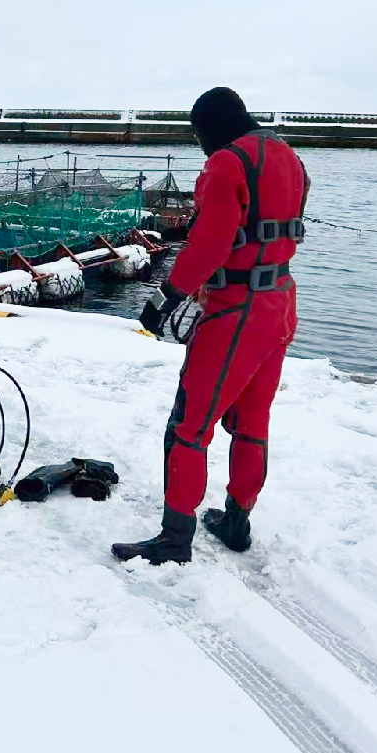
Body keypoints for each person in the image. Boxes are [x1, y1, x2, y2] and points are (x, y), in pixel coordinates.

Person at [112, 88, 309, 565]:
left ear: (214, 126)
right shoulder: (289, 157)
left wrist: (163, 299)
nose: (200, 146)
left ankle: (175, 539)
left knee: (188, 426)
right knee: (251, 422)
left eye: (199, 135)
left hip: (236, 314)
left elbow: (210, 247)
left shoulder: (227, 163)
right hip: (280, 303)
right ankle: (237, 521)